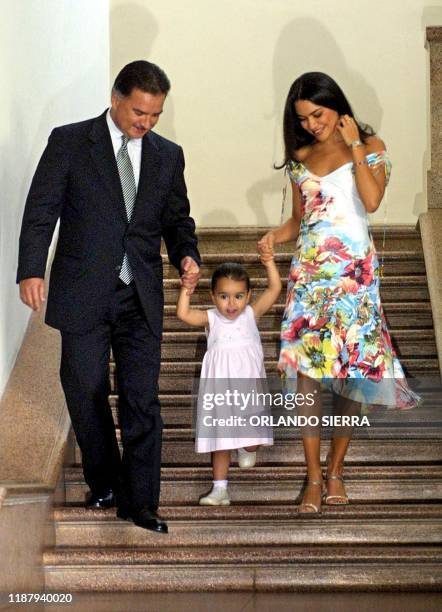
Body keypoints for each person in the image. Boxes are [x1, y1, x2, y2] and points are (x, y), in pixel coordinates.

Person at [17, 60, 201, 533]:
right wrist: (31, 270)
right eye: (140, 111)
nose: (146, 122)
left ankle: (142, 503)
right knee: (84, 388)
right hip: (83, 291)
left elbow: (178, 220)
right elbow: (42, 210)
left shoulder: (167, 155)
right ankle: (104, 480)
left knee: (142, 400)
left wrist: (186, 255)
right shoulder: (70, 141)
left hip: (138, 295)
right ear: (116, 98)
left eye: (156, 115)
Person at [258, 71, 419, 515]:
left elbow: (370, 202)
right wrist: (275, 234)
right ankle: (312, 476)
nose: (312, 124)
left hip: (355, 277)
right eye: (303, 118)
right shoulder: (299, 159)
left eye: (318, 113)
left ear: (336, 105)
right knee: (308, 376)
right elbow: (299, 221)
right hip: (310, 276)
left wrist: (355, 146)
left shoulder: (373, 146)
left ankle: (336, 470)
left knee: (352, 374)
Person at [177, 260, 281, 505]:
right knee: (221, 440)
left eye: (238, 296)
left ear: (248, 296)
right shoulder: (211, 319)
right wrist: (186, 290)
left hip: (247, 389)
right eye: (224, 296)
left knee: (253, 439)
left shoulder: (250, 314)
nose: (231, 303)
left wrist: (268, 263)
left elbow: (275, 289)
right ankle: (219, 489)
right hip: (221, 389)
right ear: (213, 297)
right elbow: (183, 314)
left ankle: (247, 447)